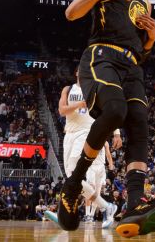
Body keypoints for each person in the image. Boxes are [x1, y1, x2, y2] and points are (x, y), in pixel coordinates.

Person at [57, 0, 155, 236]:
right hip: (102, 55)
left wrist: (151, 39)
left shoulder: (144, 3)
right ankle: (73, 185)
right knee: (114, 111)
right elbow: (71, 12)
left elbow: (142, 52)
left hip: (132, 65)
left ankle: (134, 204)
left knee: (139, 127)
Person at [58, 79, 119, 227]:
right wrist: (79, 104)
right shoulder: (68, 88)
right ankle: (106, 206)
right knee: (71, 177)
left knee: (74, 174)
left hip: (85, 131)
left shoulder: (96, 89)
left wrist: (116, 132)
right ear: (77, 72)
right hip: (70, 133)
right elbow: (61, 111)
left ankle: (97, 209)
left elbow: (109, 110)